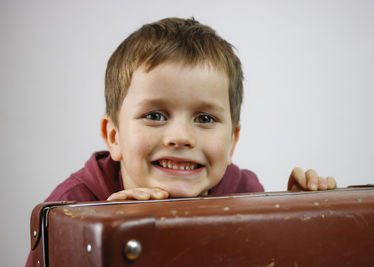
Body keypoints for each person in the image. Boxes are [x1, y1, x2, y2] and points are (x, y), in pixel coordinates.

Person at [25, 17, 336, 266]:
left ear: (232, 143)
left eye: (204, 119)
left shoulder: (243, 193)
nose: (181, 138)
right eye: (155, 115)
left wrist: (295, 224)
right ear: (113, 136)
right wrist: (99, 235)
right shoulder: (72, 208)